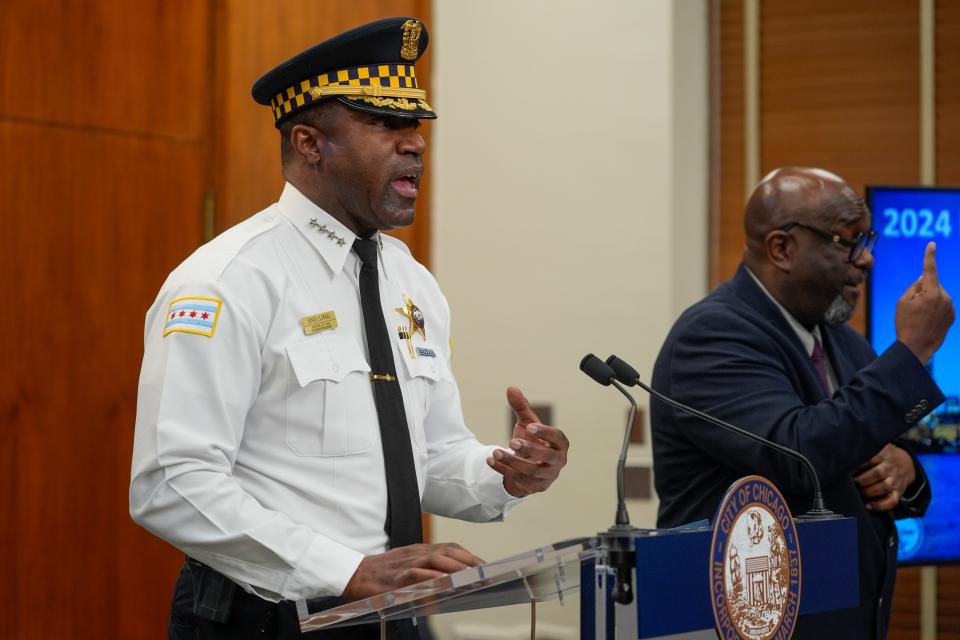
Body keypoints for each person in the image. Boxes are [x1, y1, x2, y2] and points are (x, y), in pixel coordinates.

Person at [130, 17, 569, 640]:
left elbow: (431, 457)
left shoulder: (408, 279)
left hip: (395, 611)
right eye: (385, 124)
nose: (414, 143)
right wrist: (347, 569)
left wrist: (503, 472)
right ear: (310, 143)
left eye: (414, 125)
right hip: (268, 618)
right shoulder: (228, 280)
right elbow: (171, 483)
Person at [650, 167, 954, 639]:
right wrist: (911, 353)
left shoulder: (843, 342)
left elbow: (866, 445)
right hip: (744, 624)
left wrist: (905, 472)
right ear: (782, 248)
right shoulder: (711, 335)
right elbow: (798, 453)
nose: (868, 259)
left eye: (867, 239)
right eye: (849, 241)